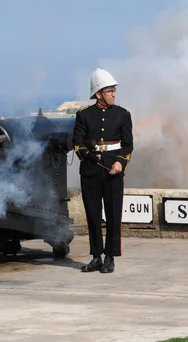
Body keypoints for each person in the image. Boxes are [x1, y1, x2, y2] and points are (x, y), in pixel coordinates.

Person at [72, 68, 133, 274]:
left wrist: (120, 163)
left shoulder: (123, 114)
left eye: (114, 90)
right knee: (93, 215)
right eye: (109, 91)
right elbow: (77, 144)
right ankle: (96, 256)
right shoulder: (83, 115)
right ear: (98, 93)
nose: (113, 94)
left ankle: (110, 257)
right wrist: (89, 156)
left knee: (114, 214)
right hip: (90, 170)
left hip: (113, 170)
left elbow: (127, 145)